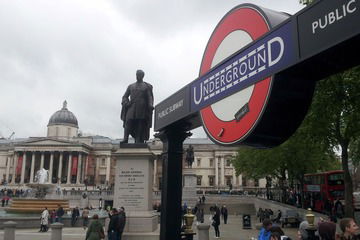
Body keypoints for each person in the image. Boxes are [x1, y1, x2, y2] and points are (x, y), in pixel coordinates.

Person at [120, 69, 154, 144]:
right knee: (128, 121)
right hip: (132, 106)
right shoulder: (131, 86)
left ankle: (138, 140)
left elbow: (149, 97)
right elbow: (125, 96)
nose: (137, 76)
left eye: (139, 75)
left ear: (142, 76)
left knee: (140, 122)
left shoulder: (146, 86)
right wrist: (126, 102)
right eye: (137, 75)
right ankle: (125, 139)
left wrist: (150, 105)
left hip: (142, 106)